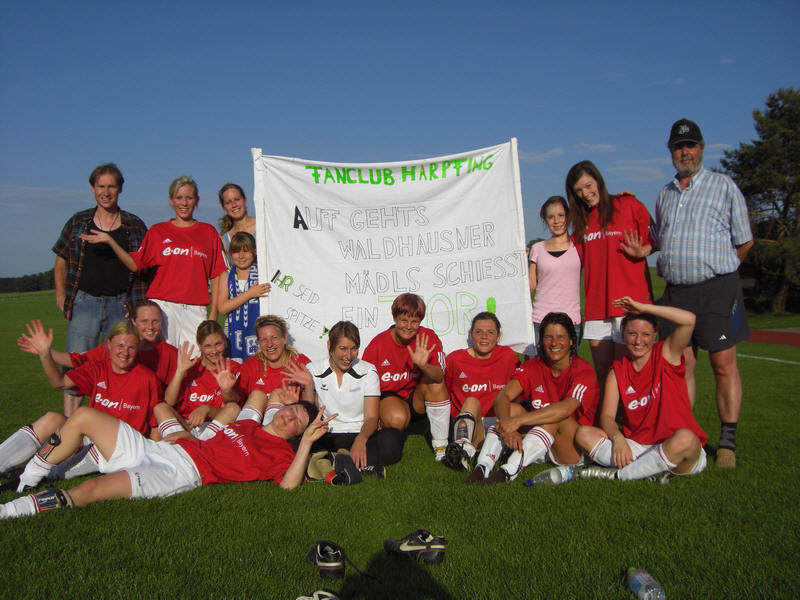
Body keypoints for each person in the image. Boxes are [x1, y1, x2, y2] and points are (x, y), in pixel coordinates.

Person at [1, 400, 333, 519]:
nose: (290, 417)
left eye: (298, 421)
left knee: (91, 489)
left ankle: (9, 511)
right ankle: (26, 481)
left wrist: (306, 443)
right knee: (84, 415)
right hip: (162, 448)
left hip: (178, 471)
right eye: (291, 410)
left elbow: (288, 486)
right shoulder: (248, 424)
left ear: (298, 432)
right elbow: (221, 421)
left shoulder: (281, 455)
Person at [654, 118, 753, 469]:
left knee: (723, 365)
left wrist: (721, 270)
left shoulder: (723, 186)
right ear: (671, 151)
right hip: (677, 293)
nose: (685, 152)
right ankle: (684, 433)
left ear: (701, 148)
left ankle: (727, 442)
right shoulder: (664, 194)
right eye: (678, 147)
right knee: (681, 366)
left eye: (691, 145)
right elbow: (659, 239)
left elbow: (744, 241)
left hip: (717, 289)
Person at [1, 320, 161, 490]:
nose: (125, 353)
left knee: (80, 425)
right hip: (87, 438)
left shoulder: (147, 378)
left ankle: (29, 476)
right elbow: (59, 382)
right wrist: (45, 354)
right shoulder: (98, 369)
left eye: (132, 347)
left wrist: (153, 462)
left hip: (115, 448)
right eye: (120, 346)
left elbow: (155, 424)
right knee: (52, 419)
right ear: (108, 345)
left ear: (138, 348)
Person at [82, 176, 229, 351]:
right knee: (161, 359)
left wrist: (213, 313)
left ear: (196, 200)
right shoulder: (157, 231)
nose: (184, 203)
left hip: (195, 310)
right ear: (171, 200)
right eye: (179, 198)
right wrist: (110, 241)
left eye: (189, 198)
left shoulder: (208, 232)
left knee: (194, 360)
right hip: (163, 308)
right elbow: (135, 265)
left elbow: (217, 274)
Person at [573, 297, 708, 482]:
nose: (638, 341)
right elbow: (607, 417)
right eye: (632, 333)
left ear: (655, 335)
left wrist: (644, 308)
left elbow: (689, 320)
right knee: (584, 434)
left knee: (686, 439)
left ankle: (619, 475)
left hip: (676, 446)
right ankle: (649, 470)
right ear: (623, 334)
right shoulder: (618, 371)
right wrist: (618, 438)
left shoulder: (666, 354)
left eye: (646, 334)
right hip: (639, 446)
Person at [52, 163, 148, 416]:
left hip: (121, 305)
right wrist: (61, 293)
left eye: (111, 187)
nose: (106, 192)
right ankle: (70, 426)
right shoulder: (78, 221)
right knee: (76, 367)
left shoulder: (134, 225)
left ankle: (110, 425)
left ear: (120, 189)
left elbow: (144, 268)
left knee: (118, 365)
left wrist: (137, 308)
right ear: (92, 189)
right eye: (101, 186)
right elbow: (61, 258)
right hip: (85, 303)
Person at [466, 312, 599, 484]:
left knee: (554, 418)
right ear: (541, 340)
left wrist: (517, 422)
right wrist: (508, 426)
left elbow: (565, 408)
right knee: (511, 410)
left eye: (561, 337)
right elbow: (502, 396)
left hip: (569, 448)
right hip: (539, 439)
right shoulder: (534, 366)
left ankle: (508, 471)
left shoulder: (583, 371)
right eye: (548, 337)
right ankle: (483, 466)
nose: (554, 343)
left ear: (572, 340)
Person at [566, 160, 653, 392]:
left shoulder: (629, 204)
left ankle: (633, 415)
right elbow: (567, 257)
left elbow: (657, 237)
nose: (585, 193)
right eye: (578, 191)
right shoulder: (582, 222)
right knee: (603, 371)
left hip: (630, 304)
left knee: (630, 371)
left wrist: (644, 250)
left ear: (598, 180)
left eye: (588, 185)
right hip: (598, 307)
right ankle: (607, 415)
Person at [290, 321, 404, 474]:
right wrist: (308, 387)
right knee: (294, 442)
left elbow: (371, 417)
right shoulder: (313, 369)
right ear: (330, 346)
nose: (348, 356)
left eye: (354, 349)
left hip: (359, 432)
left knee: (393, 440)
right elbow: (309, 418)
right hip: (326, 433)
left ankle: (330, 462)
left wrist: (361, 440)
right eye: (343, 349)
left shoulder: (368, 371)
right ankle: (354, 464)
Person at [362, 293, 450, 462]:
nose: (408, 326)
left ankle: (441, 446)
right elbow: (364, 384)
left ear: (420, 321)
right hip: (390, 397)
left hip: (417, 398)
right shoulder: (378, 345)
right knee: (397, 418)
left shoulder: (428, 337)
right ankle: (386, 428)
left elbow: (439, 376)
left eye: (414, 321)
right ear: (395, 318)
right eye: (404, 320)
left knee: (435, 384)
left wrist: (424, 366)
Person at [441, 312, 520, 471]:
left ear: (498, 336)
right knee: (471, 401)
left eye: (490, 332)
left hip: (499, 421)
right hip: (470, 422)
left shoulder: (509, 357)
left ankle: (469, 452)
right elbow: (445, 395)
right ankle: (462, 448)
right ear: (471, 335)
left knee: (513, 408)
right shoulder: (455, 360)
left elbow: (518, 393)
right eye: (479, 332)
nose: (484, 337)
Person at [154, 320, 244, 442]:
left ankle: (199, 446)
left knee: (233, 408)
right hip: (186, 426)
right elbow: (169, 402)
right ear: (199, 345)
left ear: (225, 341)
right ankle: (179, 443)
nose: (214, 351)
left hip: (214, 428)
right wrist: (180, 371)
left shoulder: (233, 368)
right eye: (208, 346)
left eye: (218, 344)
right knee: (160, 407)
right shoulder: (190, 366)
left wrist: (208, 408)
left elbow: (234, 410)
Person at [529, 196, 582, 349]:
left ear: (568, 216)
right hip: (540, 320)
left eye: (561, 215)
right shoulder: (537, 248)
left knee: (570, 364)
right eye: (551, 217)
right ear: (545, 220)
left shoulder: (580, 246)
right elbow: (531, 285)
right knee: (537, 364)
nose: (556, 221)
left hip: (571, 320)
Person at [238, 315, 313, 422]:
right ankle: (243, 430)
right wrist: (227, 391)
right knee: (257, 395)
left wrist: (307, 386)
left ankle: (268, 430)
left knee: (278, 394)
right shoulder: (250, 365)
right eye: (264, 339)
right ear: (258, 342)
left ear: (284, 338)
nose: (269, 344)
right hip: (254, 423)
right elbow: (235, 401)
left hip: (287, 425)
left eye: (274, 338)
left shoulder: (300, 363)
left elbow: (311, 412)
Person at [216, 232, 270, 362]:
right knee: (235, 368)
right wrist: (250, 293)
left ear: (254, 252)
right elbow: (222, 308)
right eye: (236, 251)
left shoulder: (263, 273)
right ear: (230, 253)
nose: (241, 256)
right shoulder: (226, 275)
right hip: (233, 333)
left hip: (258, 331)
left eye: (245, 251)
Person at [218, 183, 257, 250]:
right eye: (228, 202)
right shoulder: (224, 241)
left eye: (237, 199)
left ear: (245, 200)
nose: (234, 205)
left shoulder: (262, 226)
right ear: (223, 208)